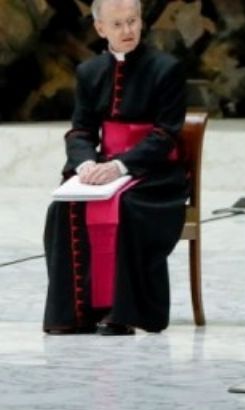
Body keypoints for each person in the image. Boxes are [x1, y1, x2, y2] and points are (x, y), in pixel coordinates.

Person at [42, 0, 187, 336]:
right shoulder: (89, 72)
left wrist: (121, 166)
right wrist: (86, 163)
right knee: (63, 209)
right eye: (118, 24)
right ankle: (77, 314)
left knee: (128, 207)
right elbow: (81, 131)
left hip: (154, 173)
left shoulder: (166, 69)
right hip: (104, 168)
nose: (127, 31)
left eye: (133, 21)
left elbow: (166, 135)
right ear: (100, 29)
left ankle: (123, 313)